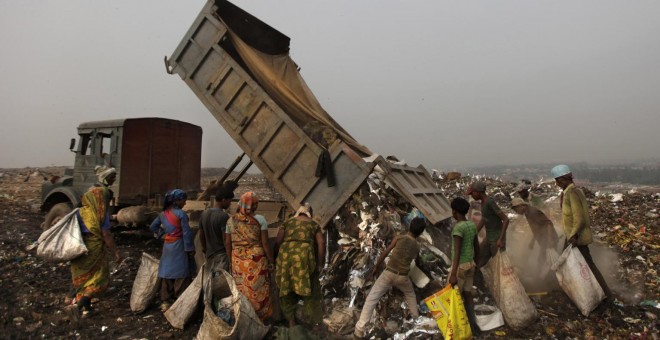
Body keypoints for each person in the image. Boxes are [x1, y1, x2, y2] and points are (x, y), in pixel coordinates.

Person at [65, 165, 121, 323]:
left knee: (81, 278)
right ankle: (77, 307)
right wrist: (116, 252)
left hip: (78, 248)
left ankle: (83, 308)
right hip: (94, 250)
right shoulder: (100, 216)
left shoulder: (79, 212)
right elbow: (106, 235)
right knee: (97, 279)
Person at [354, 217, 425, 339]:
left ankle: (359, 330)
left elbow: (386, 252)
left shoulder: (399, 237)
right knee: (411, 295)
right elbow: (417, 262)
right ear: (420, 232)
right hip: (403, 277)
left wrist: (376, 267)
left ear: (410, 226)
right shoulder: (417, 246)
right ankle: (416, 321)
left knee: (372, 298)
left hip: (389, 273)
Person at [551, 164, 612, 299]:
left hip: (576, 237)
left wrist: (573, 236)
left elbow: (579, 217)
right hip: (572, 235)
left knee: (588, 265)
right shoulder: (571, 192)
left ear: (563, 179)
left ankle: (606, 294)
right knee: (567, 263)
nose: (556, 184)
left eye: (556, 180)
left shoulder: (572, 193)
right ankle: (574, 290)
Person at [224, 191, 274, 321]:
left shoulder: (231, 220)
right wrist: (271, 261)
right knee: (258, 289)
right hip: (256, 260)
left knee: (241, 289)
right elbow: (265, 243)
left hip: (238, 260)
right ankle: (260, 317)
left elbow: (228, 243)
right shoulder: (260, 220)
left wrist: (231, 260)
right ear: (255, 205)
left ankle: (244, 316)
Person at [275, 203, 325, 327]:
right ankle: (310, 323)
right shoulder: (313, 224)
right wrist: (320, 263)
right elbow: (322, 243)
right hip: (304, 258)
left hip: (286, 257)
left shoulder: (287, 223)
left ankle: (291, 321)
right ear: (310, 214)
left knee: (287, 288)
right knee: (309, 290)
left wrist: (276, 259)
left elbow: (277, 241)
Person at [149, 189, 195, 312]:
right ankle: (180, 300)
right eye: (183, 201)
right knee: (182, 272)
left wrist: (162, 235)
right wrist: (190, 249)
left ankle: (165, 301)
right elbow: (186, 234)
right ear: (177, 201)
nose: (185, 203)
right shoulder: (181, 215)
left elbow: (153, 227)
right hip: (179, 246)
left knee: (167, 272)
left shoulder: (163, 214)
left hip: (168, 246)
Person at [448, 197, 480, 335]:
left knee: (453, 297)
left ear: (455, 211)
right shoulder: (471, 225)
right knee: (468, 296)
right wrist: (476, 263)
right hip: (471, 265)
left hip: (460, 267)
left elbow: (457, 252)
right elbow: (476, 247)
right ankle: (473, 327)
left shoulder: (458, 228)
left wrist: (453, 274)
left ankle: (456, 330)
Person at [511, 197, 558, 282]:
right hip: (544, 239)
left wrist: (550, 239)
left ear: (521, 206)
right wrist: (532, 241)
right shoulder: (528, 213)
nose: (516, 212)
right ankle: (545, 279)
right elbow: (538, 228)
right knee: (544, 260)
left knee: (547, 261)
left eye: (516, 209)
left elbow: (548, 224)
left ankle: (550, 281)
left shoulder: (533, 212)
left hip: (549, 239)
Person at [467, 181, 509, 268]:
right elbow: (484, 218)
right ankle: (477, 280)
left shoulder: (490, 202)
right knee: (478, 261)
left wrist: (500, 239)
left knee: (499, 265)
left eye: (472, 193)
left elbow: (505, 220)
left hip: (496, 239)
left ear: (478, 192)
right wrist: (475, 232)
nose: (471, 195)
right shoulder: (483, 203)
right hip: (489, 237)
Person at [199, 182, 237, 274]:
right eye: (229, 201)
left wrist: (205, 249)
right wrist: (230, 258)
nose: (230, 204)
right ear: (224, 200)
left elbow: (201, 235)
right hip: (221, 256)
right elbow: (225, 240)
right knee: (221, 283)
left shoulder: (204, 214)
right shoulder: (224, 216)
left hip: (209, 255)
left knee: (209, 283)